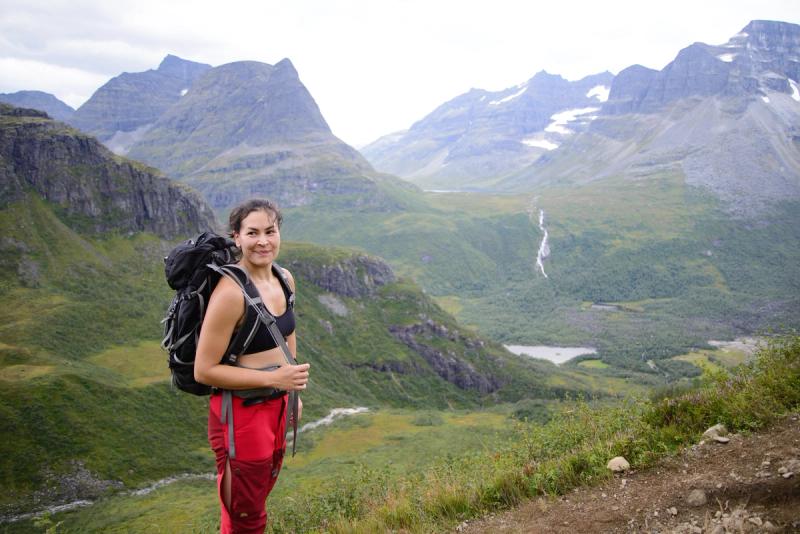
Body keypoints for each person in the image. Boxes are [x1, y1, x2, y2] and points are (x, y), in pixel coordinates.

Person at [195, 198, 310, 533]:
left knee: (255, 498)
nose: (263, 241)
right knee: (248, 512)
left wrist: (292, 392)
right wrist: (275, 379)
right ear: (237, 237)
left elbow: (287, 338)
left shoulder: (285, 278)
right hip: (241, 412)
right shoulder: (230, 294)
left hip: (277, 406)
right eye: (253, 232)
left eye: (270, 231)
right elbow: (204, 370)